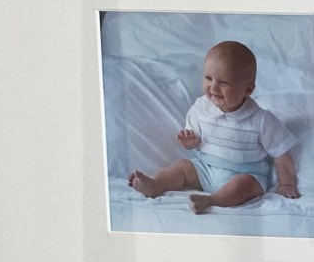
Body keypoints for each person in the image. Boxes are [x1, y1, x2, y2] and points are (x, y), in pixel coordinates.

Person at [127, 40, 300, 213]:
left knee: (244, 185)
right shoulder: (200, 108)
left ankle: (212, 200)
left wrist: (286, 183)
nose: (213, 87)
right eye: (208, 78)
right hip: (205, 168)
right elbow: (193, 141)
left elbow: (281, 153)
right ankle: (155, 184)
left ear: (248, 90)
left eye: (223, 82)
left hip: (246, 173)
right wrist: (189, 142)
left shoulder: (261, 120)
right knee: (182, 166)